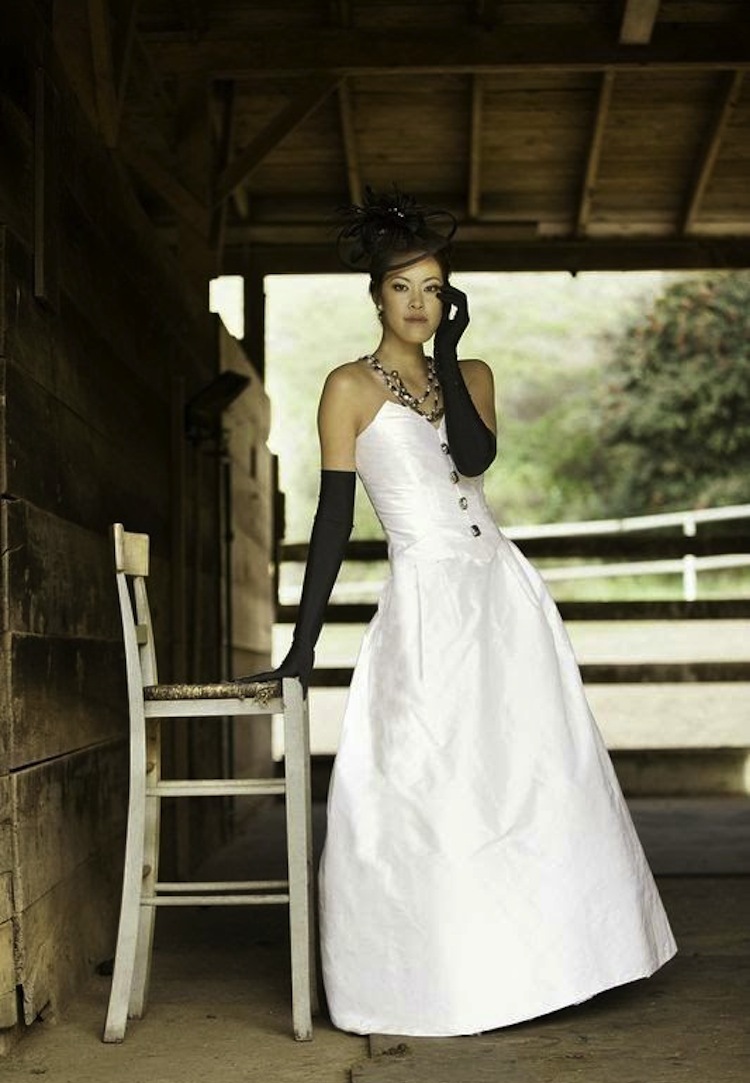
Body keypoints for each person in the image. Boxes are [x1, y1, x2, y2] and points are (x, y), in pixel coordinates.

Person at [241, 187, 677, 1037]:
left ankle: (561, 962)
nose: (417, 303)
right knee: (432, 779)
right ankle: (442, 975)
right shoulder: (346, 390)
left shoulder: (470, 373)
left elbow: (473, 459)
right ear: (375, 295)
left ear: (449, 299)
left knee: (535, 771)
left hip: (504, 593)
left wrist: (454, 349)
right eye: (402, 287)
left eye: (433, 288)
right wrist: (302, 646)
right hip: (428, 597)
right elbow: (334, 520)